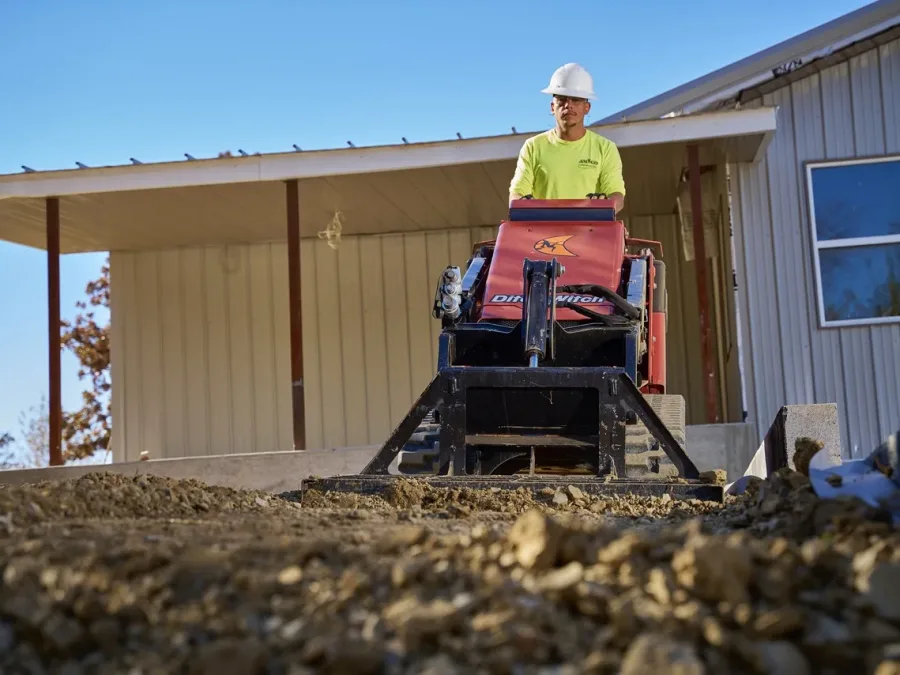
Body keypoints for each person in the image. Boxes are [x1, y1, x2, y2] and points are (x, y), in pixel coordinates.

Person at [509, 63, 626, 213]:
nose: (568, 105)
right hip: (544, 234)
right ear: (552, 107)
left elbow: (616, 195)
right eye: (562, 99)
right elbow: (517, 194)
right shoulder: (533, 147)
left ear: (587, 107)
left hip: (589, 233)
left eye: (576, 99)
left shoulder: (605, 148)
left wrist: (604, 209)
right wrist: (523, 204)